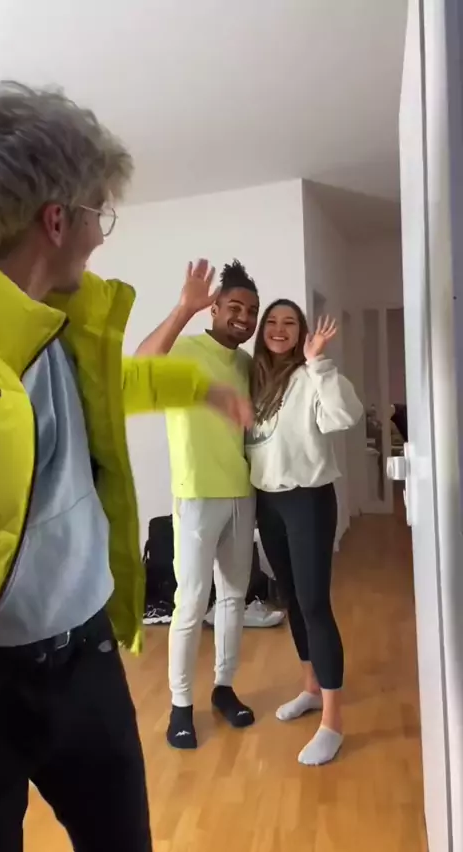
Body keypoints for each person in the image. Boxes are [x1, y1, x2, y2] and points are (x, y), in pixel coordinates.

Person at [0, 81, 252, 852]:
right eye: (98, 215)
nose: (102, 237)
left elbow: (108, 391)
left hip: (85, 657)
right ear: (56, 220)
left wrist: (196, 388)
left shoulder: (64, 327)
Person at [136, 259, 260, 748]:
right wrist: (182, 308)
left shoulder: (246, 364)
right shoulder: (185, 349)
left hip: (242, 493)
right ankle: (180, 705)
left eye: (251, 311)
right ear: (215, 308)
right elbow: (141, 364)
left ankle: (224, 688)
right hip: (196, 494)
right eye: (236, 307)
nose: (244, 318)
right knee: (190, 603)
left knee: (233, 598)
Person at [246, 300, 363, 766]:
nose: (279, 329)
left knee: (314, 604)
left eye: (289, 323)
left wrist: (318, 362)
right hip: (268, 502)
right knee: (291, 599)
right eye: (272, 322)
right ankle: (311, 689)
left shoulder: (311, 375)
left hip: (308, 500)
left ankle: (332, 723)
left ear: (301, 332)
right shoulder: (257, 381)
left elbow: (346, 416)